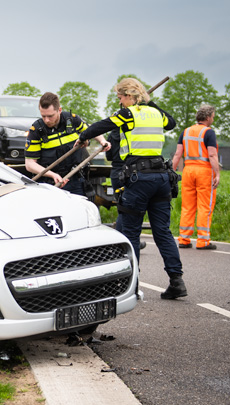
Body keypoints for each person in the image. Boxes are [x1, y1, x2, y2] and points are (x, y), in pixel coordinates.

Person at [76, 77, 186, 300]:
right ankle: (177, 281)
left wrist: (83, 137)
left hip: (139, 180)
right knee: (163, 232)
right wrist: (150, 103)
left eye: (120, 97)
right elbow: (171, 123)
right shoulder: (156, 113)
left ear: (128, 96)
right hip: (161, 178)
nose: (119, 101)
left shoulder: (128, 114)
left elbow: (100, 126)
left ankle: (132, 284)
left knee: (132, 233)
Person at [25, 92, 109, 196]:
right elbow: (29, 164)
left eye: (50, 116)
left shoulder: (72, 120)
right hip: (50, 183)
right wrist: (52, 175)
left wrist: (102, 141)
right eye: (43, 116)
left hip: (76, 179)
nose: (46, 120)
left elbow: (91, 130)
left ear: (59, 110)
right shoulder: (36, 130)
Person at [171, 104, 220, 250]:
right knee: (204, 206)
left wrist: (172, 172)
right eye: (212, 116)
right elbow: (212, 154)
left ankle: (184, 239)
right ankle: (203, 241)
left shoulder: (185, 132)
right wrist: (217, 173)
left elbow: (178, 154)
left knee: (188, 206)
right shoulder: (208, 132)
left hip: (188, 171)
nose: (213, 118)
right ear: (207, 117)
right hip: (204, 171)